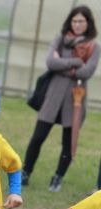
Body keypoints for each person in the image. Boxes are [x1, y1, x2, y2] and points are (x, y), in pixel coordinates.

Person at [22, 5, 99, 193]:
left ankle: (58, 177)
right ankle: (26, 172)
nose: (77, 24)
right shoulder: (59, 39)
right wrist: (74, 62)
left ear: (88, 23)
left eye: (81, 21)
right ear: (69, 22)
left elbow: (87, 71)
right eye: (74, 20)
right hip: (52, 97)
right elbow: (50, 62)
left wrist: (62, 65)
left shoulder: (94, 46)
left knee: (68, 142)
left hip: (75, 101)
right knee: (38, 137)